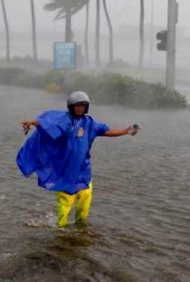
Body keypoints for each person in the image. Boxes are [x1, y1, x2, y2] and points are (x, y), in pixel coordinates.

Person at [16, 91, 139, 228]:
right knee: (65, 203)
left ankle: (80, 226)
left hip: (83, 171)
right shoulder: (64, 120)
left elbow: (108, 132)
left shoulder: (90, 123)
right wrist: (32, 123)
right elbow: (48, 124)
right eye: (77, 106)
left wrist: (126, 131)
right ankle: (61, 230)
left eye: (83, 106)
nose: (80, 108)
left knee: (85, 199)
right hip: (65, 172)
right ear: (71, 107)